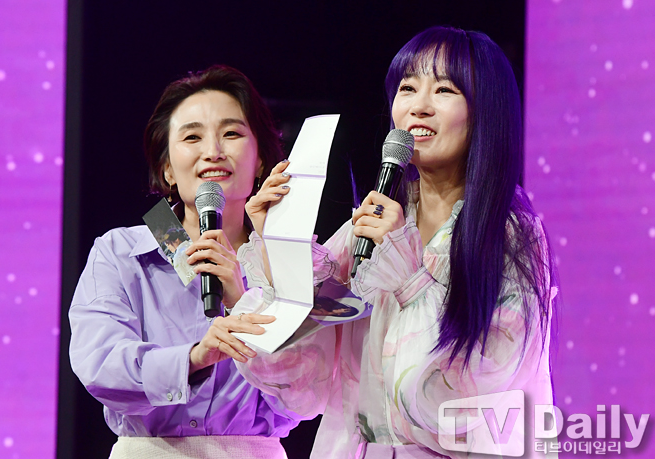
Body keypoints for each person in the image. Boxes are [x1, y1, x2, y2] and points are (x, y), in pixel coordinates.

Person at [234, 26, 558, 458]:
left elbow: (459, 400)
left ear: (485, 112)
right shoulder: (371, 226)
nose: (419, 106)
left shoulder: (510, 236)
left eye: (444, 90)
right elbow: (301, 380)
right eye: (407, 88)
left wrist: (408, 276)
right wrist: (277, 247)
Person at [69, 65, 298, 459]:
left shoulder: (288, 260)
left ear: (261, 160)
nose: (213, 151)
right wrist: (192, 359)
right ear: (167, 170)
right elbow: (100, 366)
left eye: (231, 133)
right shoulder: (120, 252)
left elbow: (306, 395)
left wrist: (244, 298)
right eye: (192, 136)